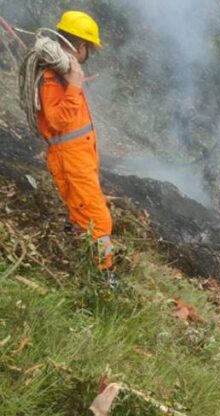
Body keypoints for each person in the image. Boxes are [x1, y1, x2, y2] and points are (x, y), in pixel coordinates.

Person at [36, 12, 116, 280]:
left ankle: (88, 260)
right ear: (81, 46)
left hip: (79, 157)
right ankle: (103, 279)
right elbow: (58, 121)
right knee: (99, 220)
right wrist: (73, 87)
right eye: (89, 49)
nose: (88, 54)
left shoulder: (64, 71)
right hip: (71, 161)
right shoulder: (53, 77)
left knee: (86, 214)